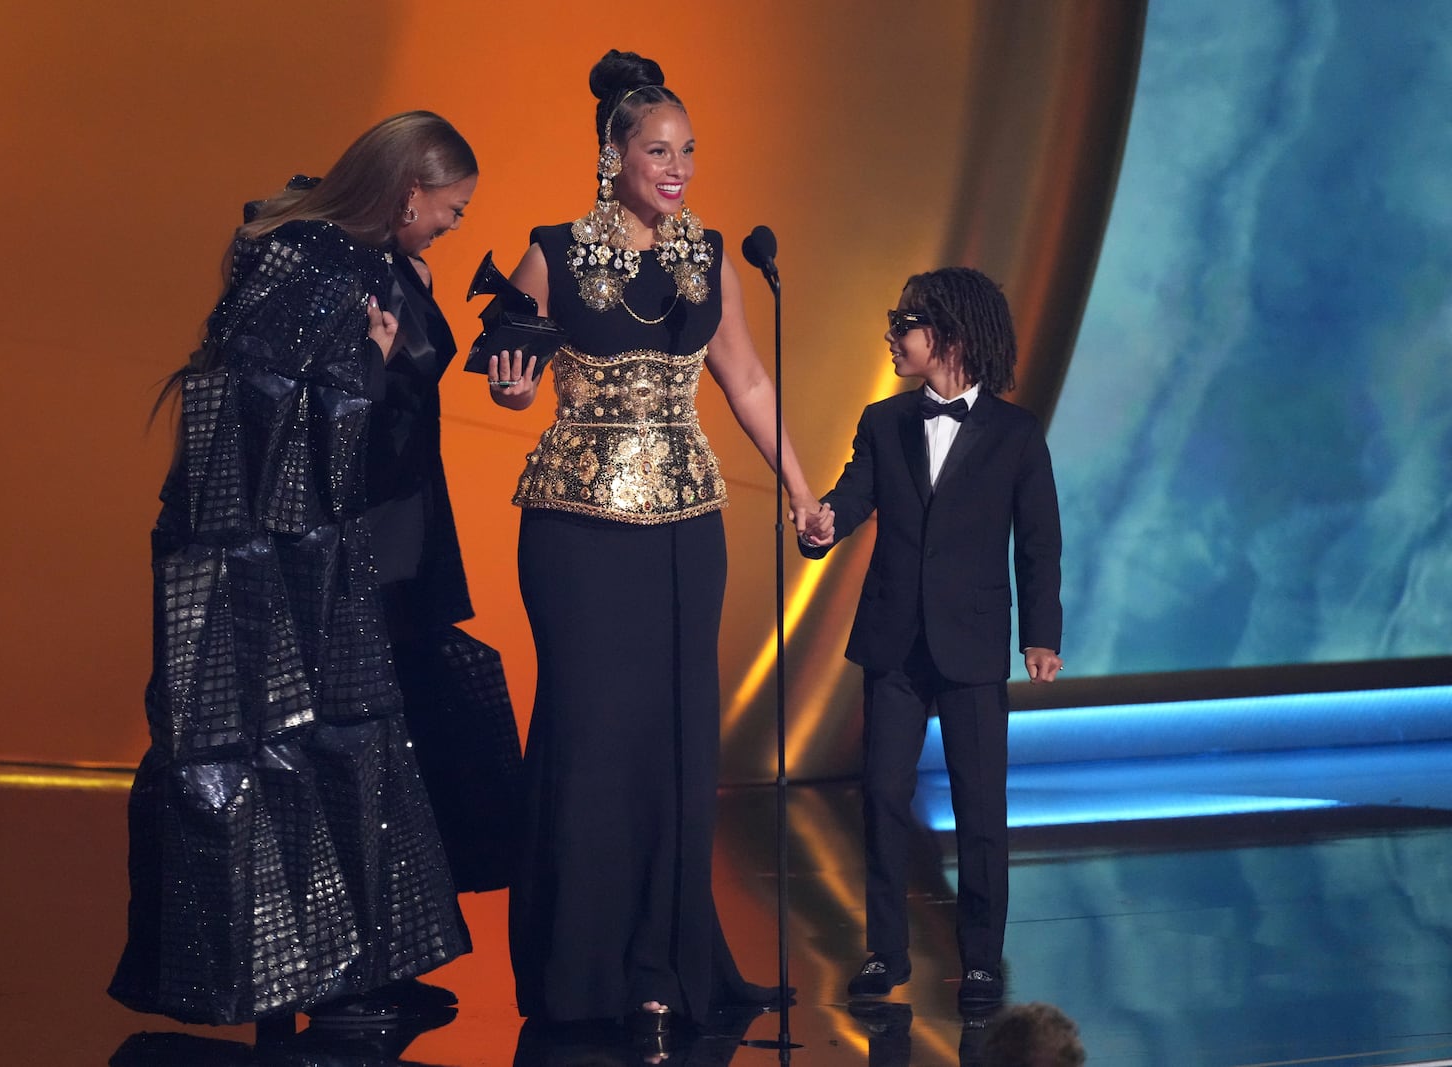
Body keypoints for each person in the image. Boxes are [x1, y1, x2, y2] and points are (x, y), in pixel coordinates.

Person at [109, 111, 482, 1032]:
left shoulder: (364, 264)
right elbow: (256, 413)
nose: (453, 225)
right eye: (451, 208)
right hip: (255, 560)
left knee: (347, 738)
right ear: (407, 193)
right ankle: (295, 978)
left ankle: (352, 968)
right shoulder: (310, 262)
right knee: (274, 744)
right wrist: (370, 362)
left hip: (327, 546)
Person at [487, 49, 822, 1031]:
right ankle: (578, 968)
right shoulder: (549, 250)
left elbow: (748, 383)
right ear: (612, 156)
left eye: (688, 152)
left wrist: (803, 493)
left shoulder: (710, 256)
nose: (676, 169)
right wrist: (511, 387)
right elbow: (508, 373)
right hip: (578, 530)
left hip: (687, 527)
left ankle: (666, 959)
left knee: (676, 740)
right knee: (594, 736)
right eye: (657, 151)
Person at [798, 268, 1063, 1020]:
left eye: (902, 327)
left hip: (973, 644)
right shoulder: (883, 421)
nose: (891, 340)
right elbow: (855, 492)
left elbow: (1039, 543)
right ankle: (885, 948)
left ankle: (980, 958)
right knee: (881, 794)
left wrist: (1041, 634)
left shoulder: (1015, 433)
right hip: (893, 642)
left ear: (944, 335)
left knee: (982, 807)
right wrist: (825, 525)